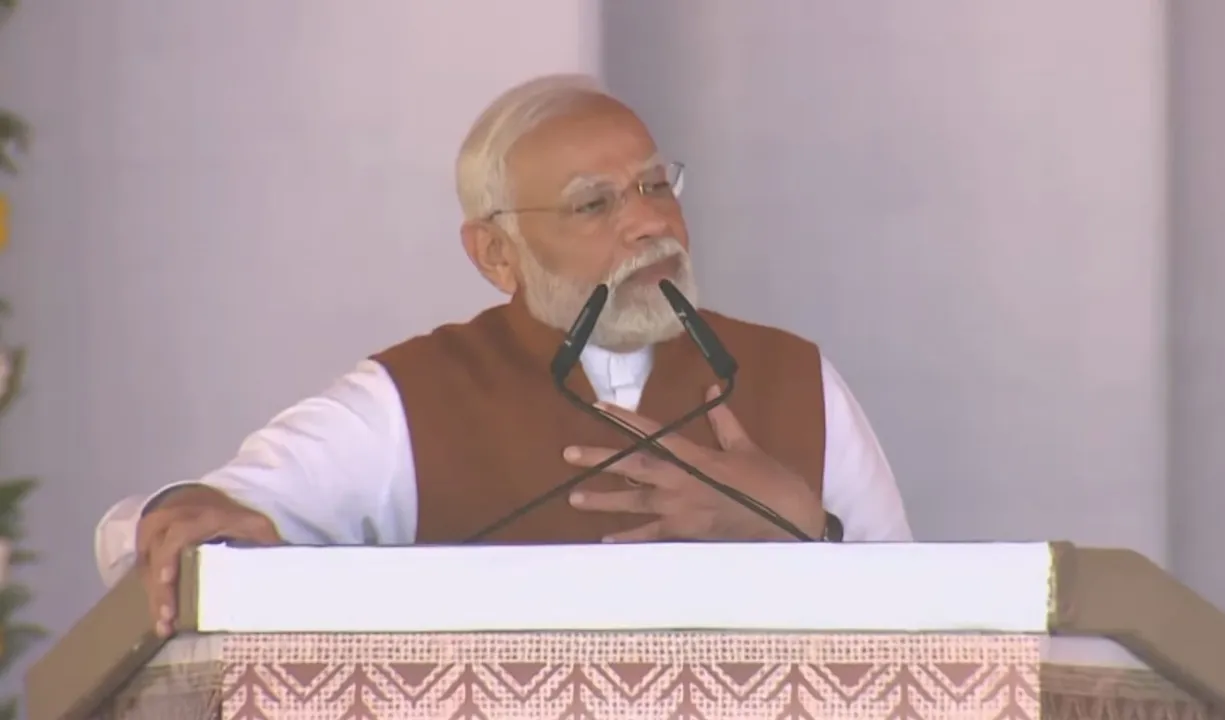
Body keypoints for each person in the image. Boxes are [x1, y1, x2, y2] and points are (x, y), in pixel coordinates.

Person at [95, 74, 913, 636]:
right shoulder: (412, 401)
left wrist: (806, 531)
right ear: (496, 254)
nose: (647, 223)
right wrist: (189, 516)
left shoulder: (794, 378)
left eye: (655, 186)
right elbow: (182, 525)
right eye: (593, 204)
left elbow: (929, 635)